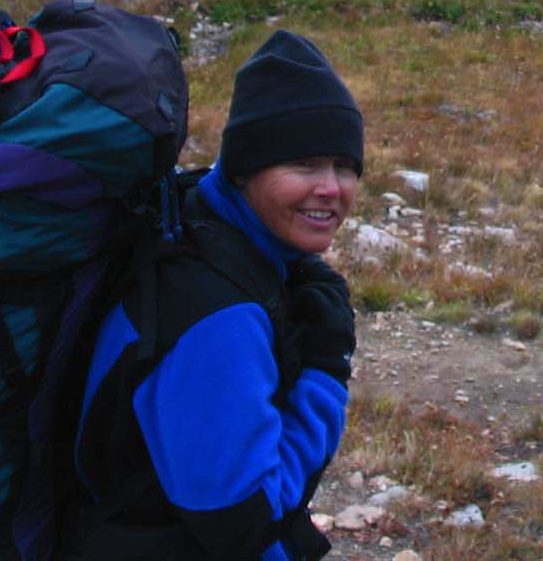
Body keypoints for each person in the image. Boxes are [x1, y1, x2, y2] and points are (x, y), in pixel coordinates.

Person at [68, 30, 361, 560]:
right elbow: (240, 523)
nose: (332, 188)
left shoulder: (193, 218)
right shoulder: (217, 313)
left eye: (344, 166)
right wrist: (326, 370)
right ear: (245, 169)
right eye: (305, 164)